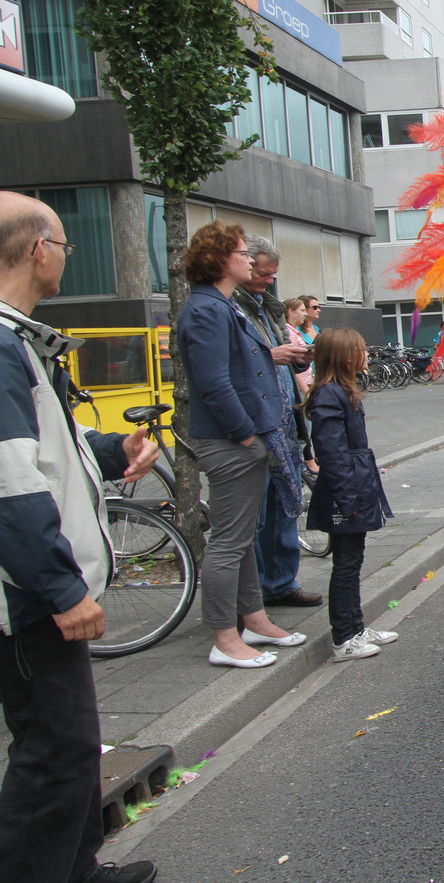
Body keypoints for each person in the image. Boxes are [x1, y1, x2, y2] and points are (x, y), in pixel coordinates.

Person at [0, 192, 161, 883]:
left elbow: (46, 448)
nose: (67, 256)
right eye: (64, 245)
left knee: (68, 747)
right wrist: (61, 589)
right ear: (39, 250)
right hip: (28, 596)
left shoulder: (19, 342)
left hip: (35, 588)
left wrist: (110, 449)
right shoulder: (2, 347)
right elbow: (10, 486)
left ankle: (78, 868)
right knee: (53, 752)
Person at [177, 223, 311, 670]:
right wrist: (245, 435)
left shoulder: (222, 306)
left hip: (242, 437)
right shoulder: (206, 310)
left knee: (241, 537)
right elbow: (214, 382)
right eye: (241, 253)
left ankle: (254, 620)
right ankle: (225, 637)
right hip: (231, 440)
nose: (249, 260)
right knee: (229, 543)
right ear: (219, 260)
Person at [232, 236, 319, 608]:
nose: (270, 281)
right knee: (256, 513)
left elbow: (276, 355)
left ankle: (281, 583)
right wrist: (272, 356)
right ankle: (255, 595)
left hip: (282, 422)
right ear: (244, 263)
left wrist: (297, 358)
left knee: (284, 503)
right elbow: (227, 364)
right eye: (264, 274)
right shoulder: (225, 307)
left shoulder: (266, 306)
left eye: (273, 275)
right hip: (254, 425)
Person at [304, 328, 396, 662]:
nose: (367, 354)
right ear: (345, 357)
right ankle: (344, 637)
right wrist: (347, 498)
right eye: (361, 349)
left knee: (352, 560)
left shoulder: (340, 391)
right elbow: (330, 452)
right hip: (346, 488)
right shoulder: (330, 395)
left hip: (354, 484)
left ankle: (356, 629)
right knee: (345, 564)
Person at [282, 297, 316, 474]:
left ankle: (303, 464)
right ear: (290, 312)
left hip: (307, 382)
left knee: (306, 428)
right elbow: (293, 368)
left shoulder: (295, 333)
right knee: (302, 429)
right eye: (302, 310)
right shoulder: (287, 334)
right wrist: (305, 390)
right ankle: (300, 467)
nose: (305, 314)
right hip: (300, 387)